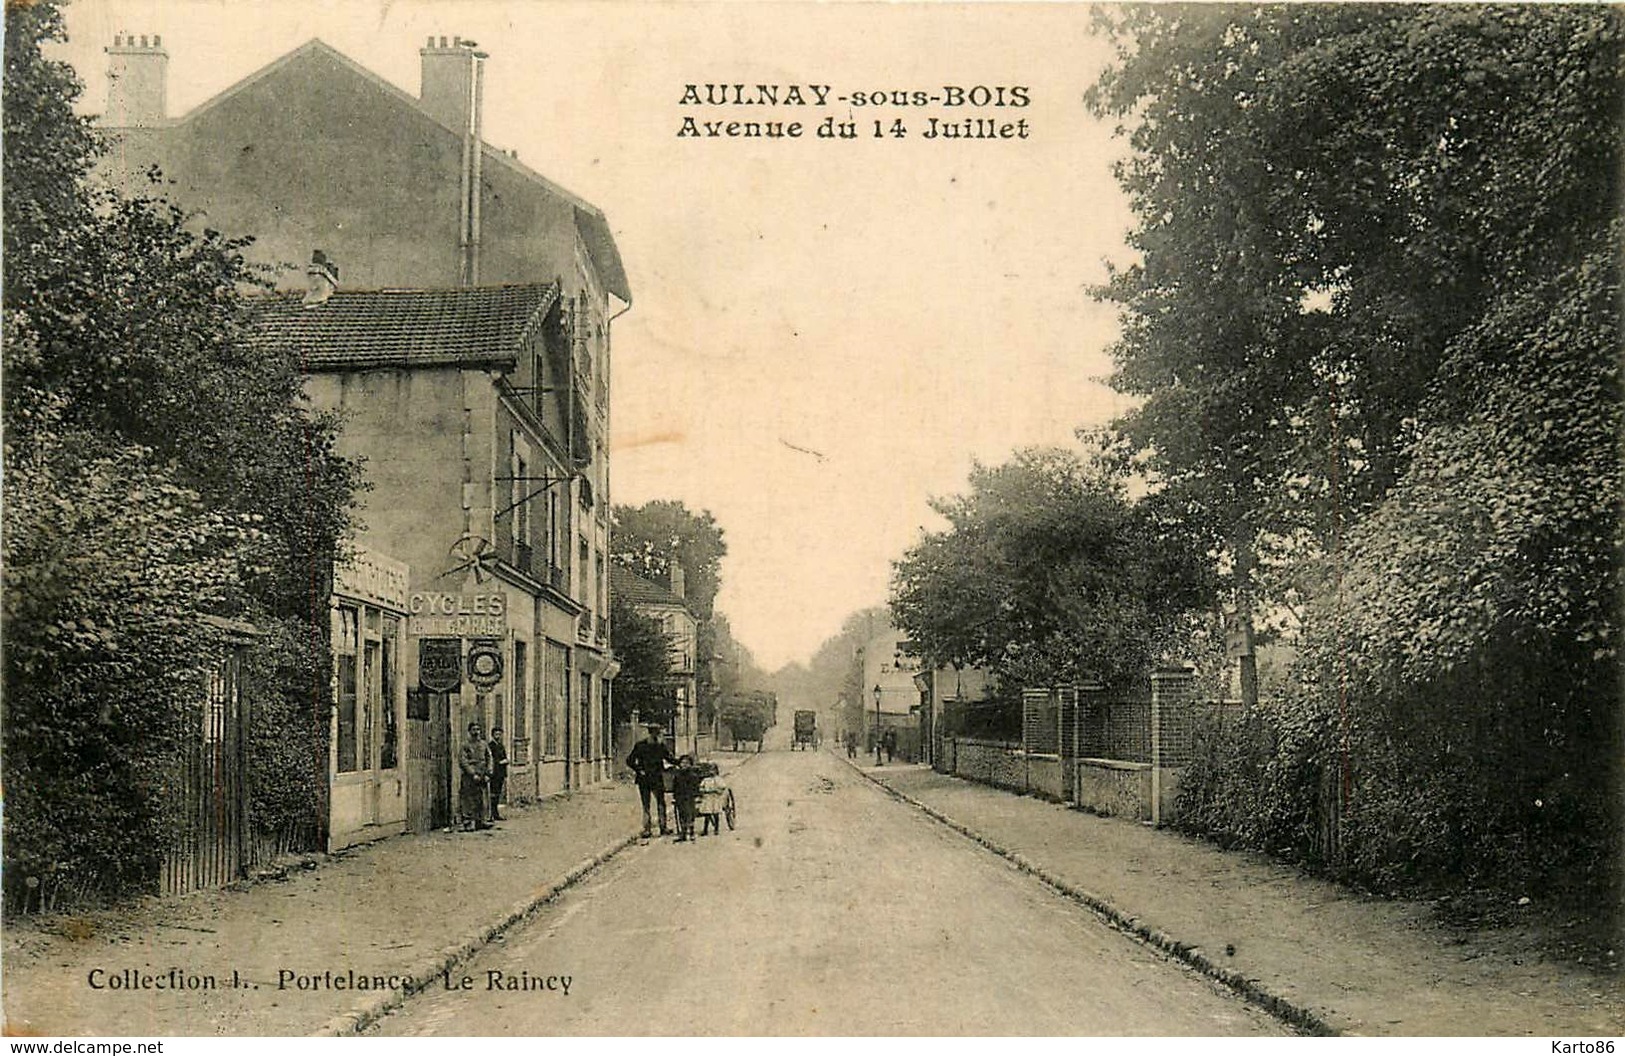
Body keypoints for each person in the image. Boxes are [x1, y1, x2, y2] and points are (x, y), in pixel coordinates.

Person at [626, 723, 674, 837]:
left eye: (658, 733)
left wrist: (682, 762)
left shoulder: (660, 745)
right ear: (651, 732)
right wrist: (639, 770)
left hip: (657, 778)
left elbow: (670, 758)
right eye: (656, 732)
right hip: (644, 779)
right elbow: (630, 760)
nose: (657, 735)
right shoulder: (640, 745)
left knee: (661, 803)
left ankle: (663, 827)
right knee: (646, 804)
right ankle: (647, 829)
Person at [458, 720, 492, 831]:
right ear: (469, 731)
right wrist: (472, 773)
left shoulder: (484, 744)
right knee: (468, 799)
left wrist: (488, 773)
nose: (476, 732)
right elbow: (463, 761)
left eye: (478, 729)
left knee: (482, 798)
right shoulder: (465, 745)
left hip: (482, 774)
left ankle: (481, 821)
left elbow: (489, 758)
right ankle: (468, 822)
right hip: (470, 776)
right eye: (474, 730)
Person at [671, 754, 702, 843]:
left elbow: (695, 787)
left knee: (690, 814)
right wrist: (674, 797)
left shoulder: (693, 775)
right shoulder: (677, 776)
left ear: (690, 764)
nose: (684, 765)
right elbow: (675, 788)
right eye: (682, 763)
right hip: (680, 797)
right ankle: (683, 833)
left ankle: (691, 833)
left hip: (689, 797)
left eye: (686, 763)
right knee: (682, 815)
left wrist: (697, 796)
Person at [488, 725, 508, 822]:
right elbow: (491, 760)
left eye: (500, 734)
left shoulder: (501, 745)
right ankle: (492, 813)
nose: (498, 736)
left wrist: (505, 761)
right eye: (496, 734)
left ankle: (495, 813)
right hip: (494, 773)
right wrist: (500, 762)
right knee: (493, 794)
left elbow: (504, 756)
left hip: (500, 773)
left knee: (497, 794)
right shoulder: (491, 746)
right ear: (492, 735)